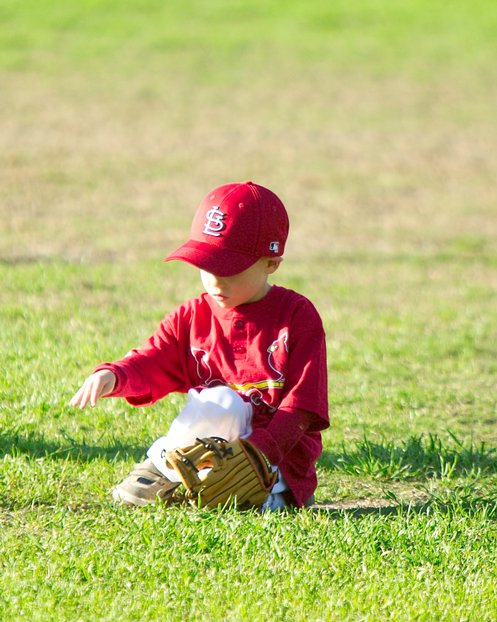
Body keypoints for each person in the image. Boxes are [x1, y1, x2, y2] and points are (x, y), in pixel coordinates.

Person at [70, 181, 329, 509]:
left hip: (276, 464)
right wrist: (115, 375)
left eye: (229, 268)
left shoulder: (296, 316)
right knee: (218, 404)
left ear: (271, 262)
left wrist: (259, 453)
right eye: (206, 265)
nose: (215, 280)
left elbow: (302, 407)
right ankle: (167, 469)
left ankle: (193, 480)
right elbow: (152, 359)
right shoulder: (193, 316)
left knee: (223, 406)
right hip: (209, 453)